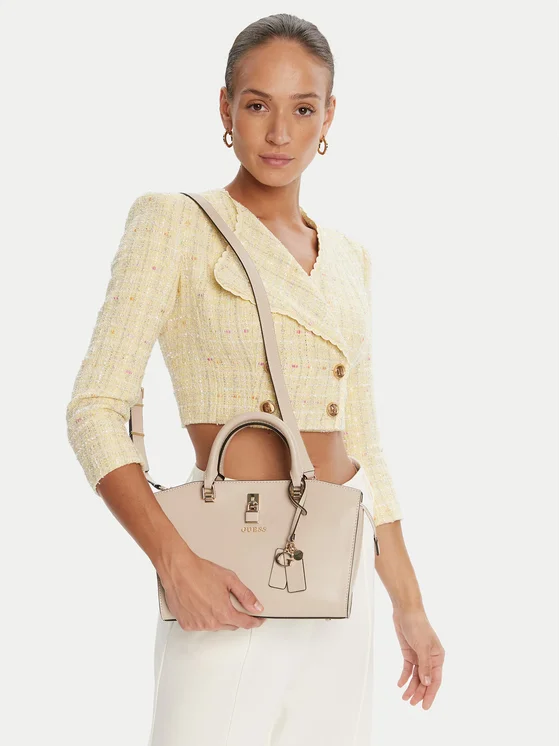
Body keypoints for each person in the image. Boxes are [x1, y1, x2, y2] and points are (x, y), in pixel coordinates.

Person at [66, 12, 445, 746]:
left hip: (339, 579)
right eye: (257, 104)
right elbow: (94, 408)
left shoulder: (350, 259)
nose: (279, 133)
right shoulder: (175, 223)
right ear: (225, 108)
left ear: (328, 118)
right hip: (224, 568)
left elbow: (365, 441)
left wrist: (410, 605)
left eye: (303, 109)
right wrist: (175, 562)